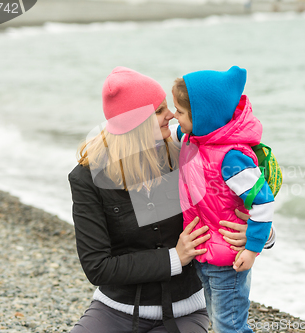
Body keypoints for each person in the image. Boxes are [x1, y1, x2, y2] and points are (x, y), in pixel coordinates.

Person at [68, 67, 273, 333]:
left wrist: (258, 236)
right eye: (159, 111)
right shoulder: (87, 178)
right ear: (135, 124)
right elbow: (97, 266)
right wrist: (175, 257)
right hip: (115, 309)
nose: (171, 115)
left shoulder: (188, 152)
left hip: (185, 310)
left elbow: (244, 202)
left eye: (168, 107)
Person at [170, 66, 275, 333]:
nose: (174, 117)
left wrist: (253, 248)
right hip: (206, 254)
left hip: (230, 259)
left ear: (202, 116)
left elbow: (263, 203)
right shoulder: (194, 138)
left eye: (179, 112)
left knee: (230, 326)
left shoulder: (231, 158)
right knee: (219, 322)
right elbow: (166, 135)